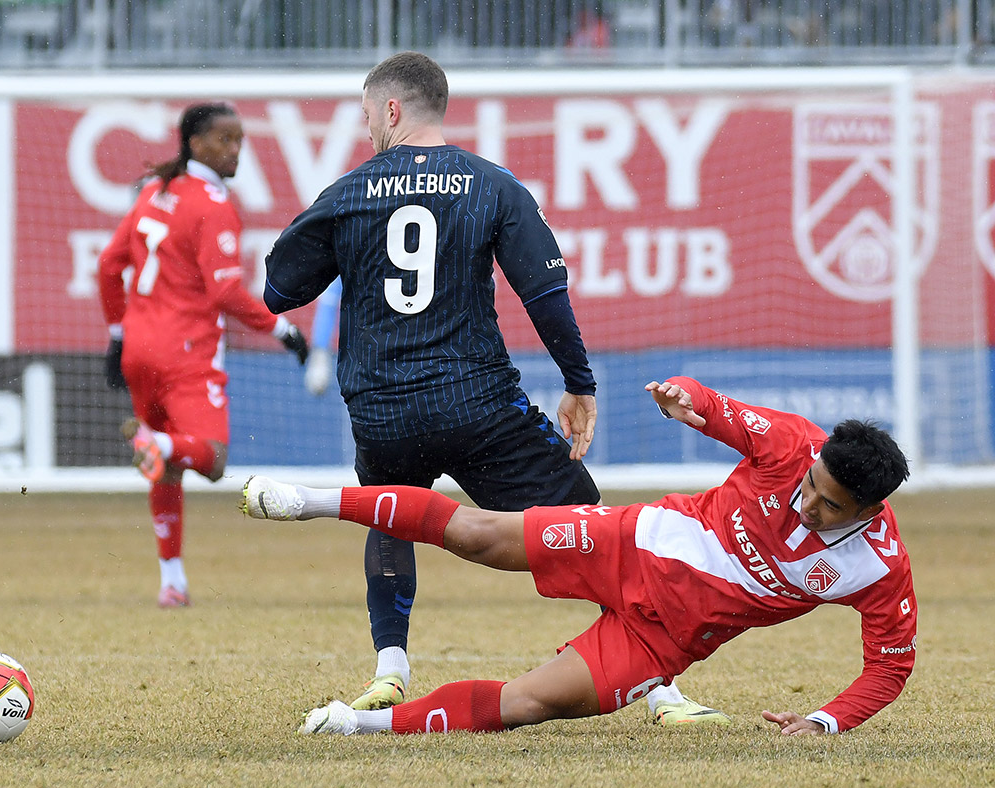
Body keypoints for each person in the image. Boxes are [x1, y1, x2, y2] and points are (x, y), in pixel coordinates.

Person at [262, 51, 717, 726]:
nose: (364, 130)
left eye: (365, 116)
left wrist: (348, 254)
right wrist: (579, 383)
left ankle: (390, 669)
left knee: (390, 514)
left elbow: (278, 289)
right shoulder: (491, 184)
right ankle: (658, 687)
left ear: (391, 111)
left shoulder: (348, 192)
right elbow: (545, 289)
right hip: (475, 404)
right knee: (588, 520)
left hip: (382, 408)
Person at [240, 375, 916, 737]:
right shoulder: (795, 443)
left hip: (661, 641)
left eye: (828, 504)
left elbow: (891, 665)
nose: (806, 503)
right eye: (808, 485)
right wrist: (686, 399)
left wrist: (826, 720)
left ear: (867, 509)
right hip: (634, 541)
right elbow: (720, 409)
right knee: (478, 534)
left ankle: (354, 723)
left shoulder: (880, 568)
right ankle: (307, 499)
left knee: (527, 703)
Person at [99, 101, 309, 608]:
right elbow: (224, 294)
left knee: (163, 468)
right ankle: (160, 444)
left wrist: (116, 335)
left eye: (239, 139)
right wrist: (281, 329)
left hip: (140, 349)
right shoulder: (214, 204)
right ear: (196, 144)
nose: (235, 149)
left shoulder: (155, 191)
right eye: (224, 140)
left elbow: (109, 266)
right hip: (186, 351)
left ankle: (173, 581)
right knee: (210, 459)